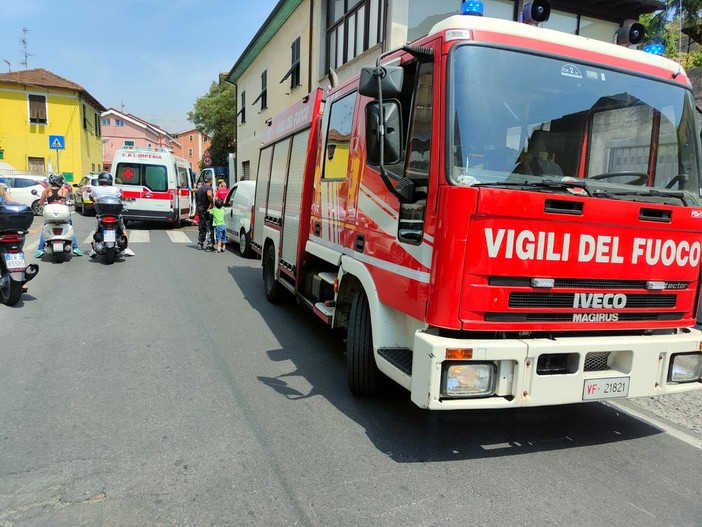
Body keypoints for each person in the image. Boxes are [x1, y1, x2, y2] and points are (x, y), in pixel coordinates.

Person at [34, 173, 82, 257]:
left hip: (50, 214)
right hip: (63, 214)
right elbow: (67, 199)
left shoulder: (46, 191)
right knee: (69, 227)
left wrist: (40, 203)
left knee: (45, 228)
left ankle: (40, 249)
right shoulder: (64, 190)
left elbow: (41, 203)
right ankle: (75, 247)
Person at [88, 171, 135, 257]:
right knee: (122, 228)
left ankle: (94, 248)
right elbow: (121, 197)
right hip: (115, 213)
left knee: (97, 228)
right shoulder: (115, 189)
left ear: (100, 180)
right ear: (110, 180)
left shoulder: (96, 189)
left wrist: (94, 198)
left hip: (102, 214)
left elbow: (90, 197)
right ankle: (127, 248)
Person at [195, 174, 215, 250]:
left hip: (200, 210)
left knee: (201, 227)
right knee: (209, 227)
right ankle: (209, 245)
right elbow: (209, 194)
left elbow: (194, 191)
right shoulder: (209, 188)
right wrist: (211, 201)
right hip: (207, 210)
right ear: (210, 181)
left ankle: (200, 243)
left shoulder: (200, 188)